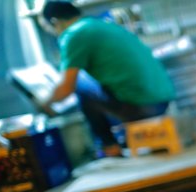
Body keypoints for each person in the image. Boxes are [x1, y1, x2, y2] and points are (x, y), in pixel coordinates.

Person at [38, 1, 175, 157]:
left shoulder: (74, 34)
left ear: (55, 22)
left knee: (81, 86)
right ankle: (121, 141)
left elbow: (66, 88)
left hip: (142, 107)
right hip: (162, 102)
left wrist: (45, 103)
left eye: (49, 29)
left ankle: (110, 148)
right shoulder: (103, 26)